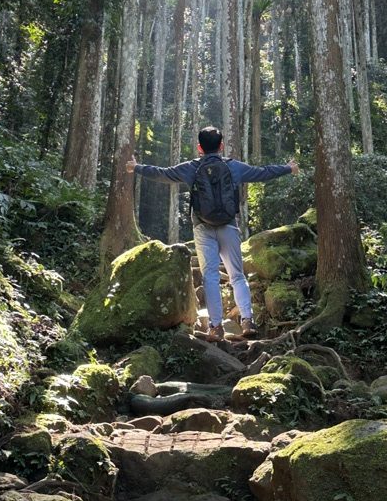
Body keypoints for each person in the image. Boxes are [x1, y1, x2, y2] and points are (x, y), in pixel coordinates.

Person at [126, 126, 299, 342]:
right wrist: (288, 168)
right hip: (228, 225)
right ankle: (247, 320)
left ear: (200, 147)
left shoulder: (191, 168)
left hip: (202, 227)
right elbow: (262, 173)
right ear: (221, 146)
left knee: (210, 276)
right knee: (236, 275)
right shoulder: (233, 167)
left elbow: (163, 173)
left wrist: (137, 167)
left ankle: (216, 327)